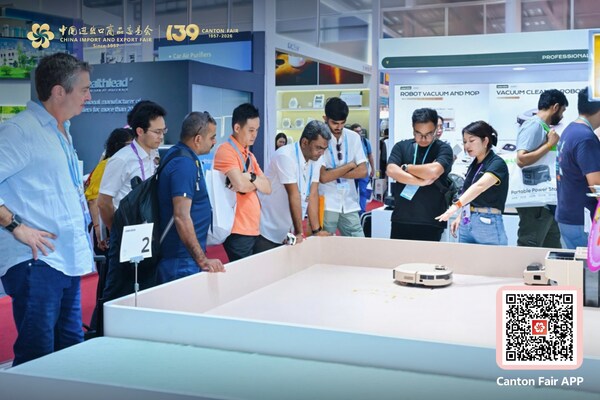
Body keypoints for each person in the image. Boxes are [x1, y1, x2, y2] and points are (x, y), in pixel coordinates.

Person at [0, 53, 94, 366]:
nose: (89, 97)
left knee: (70, 349)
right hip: (37, 262)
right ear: (58, 92)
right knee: (38, 355)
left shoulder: (61, 130)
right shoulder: (20, 131)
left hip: (65, 258)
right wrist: (17, 227)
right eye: (84, 90)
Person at [157, 112, 226, 283]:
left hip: (184, 257)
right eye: (212, 137)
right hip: (181, 260)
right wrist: (202, 260)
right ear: (197, 139)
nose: (214, 142)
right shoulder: (184, 164)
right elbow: (181, 216)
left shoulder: (182, 156)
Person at [256, 120, 332, 252]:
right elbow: (294, 195)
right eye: (318, 148)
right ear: (304, 142)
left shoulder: (316, 159)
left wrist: (316, 231)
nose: (321, 153)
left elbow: (313, 194)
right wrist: (299, 232)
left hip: (287, 231)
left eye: (324, 149)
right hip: (267, 229)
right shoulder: (285, 156)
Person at [213, 103, 271, 262]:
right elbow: (240, 185)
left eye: (257, 130)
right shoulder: (226, 150)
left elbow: (267, 187)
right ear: (237, 128)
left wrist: (250, 176)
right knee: (244, 274)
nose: (255, 135)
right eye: (251, 130)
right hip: (237, 229)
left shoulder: (249, 156)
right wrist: (254, 182)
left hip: (253, 227)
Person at [436, 121, 509, 245]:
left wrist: (454, 207)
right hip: (467, 220)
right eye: (465, 142)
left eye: (471, 140)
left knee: (492, 257)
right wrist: (460, 216)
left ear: (485, 141)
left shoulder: (497, 163)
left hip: (487, 221)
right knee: (465, 257)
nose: (467, 146)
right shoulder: (474, 164)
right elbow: (471, 195)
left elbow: (479, 186)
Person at [97, 100, 166, 231]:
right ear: (140, 131)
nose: (161, 137)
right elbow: (103, 202)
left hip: (149, 230)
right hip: (127, 230)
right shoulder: (121, 160)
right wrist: (115, 230)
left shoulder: (154, 155)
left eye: (163, 131)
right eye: (157, 132)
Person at [386, 108, 453, 242]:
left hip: (431, 220)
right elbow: (391, 170)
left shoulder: (443, 149)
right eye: (418, 133)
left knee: (428, 256)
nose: (423, 139)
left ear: (436, 129)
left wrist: (406, 168)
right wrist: (421, 181)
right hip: (402, 218)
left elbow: (433, 171)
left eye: (428, 134)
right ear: (413, 129)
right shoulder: (401, 146)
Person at [515, 89, 568, 248]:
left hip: (546, 199)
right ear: (555, 107)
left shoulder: (543, 127)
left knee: (552, 248)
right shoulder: (534, 124)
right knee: (529, 246)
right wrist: (549, 145)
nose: (562, 116)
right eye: (563, 110)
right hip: (535, 201)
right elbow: (521, 159)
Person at [556, 87, 600, 249]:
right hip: (583, 220)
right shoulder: (586, 138)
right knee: (587, 264)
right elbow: (597, 187)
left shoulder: (571, 130)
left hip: (569, 215)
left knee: (575, 262)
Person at [319, 97, 367, 237]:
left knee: (359, 243)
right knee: (325, 245)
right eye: (334, 123)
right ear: (325, 118)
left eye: (342, 123)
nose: (339, 127)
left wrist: (333, 173)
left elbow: (363, 171)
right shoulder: (319, 139)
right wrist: (350, 166)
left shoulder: (353, 137)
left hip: (349, 201)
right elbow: (323, 177)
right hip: (327, 202)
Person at [84, 128, 135, 254]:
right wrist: (98, 230)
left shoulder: (130, 165)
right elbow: (94, 200)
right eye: (130, 144)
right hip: (106, 226)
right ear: (118, 145)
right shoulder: (107, 164)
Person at [350, 123, 375, 215]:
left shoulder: (365, 142)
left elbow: (370, 156)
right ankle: (352, 210)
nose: (359, 133)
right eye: (356, 131)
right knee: (352, 191)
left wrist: (373, 168)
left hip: (363, 170)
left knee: (363, 191)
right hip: (351, 170)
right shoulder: (349, 142)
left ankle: (362, 211)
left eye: (360, 131)